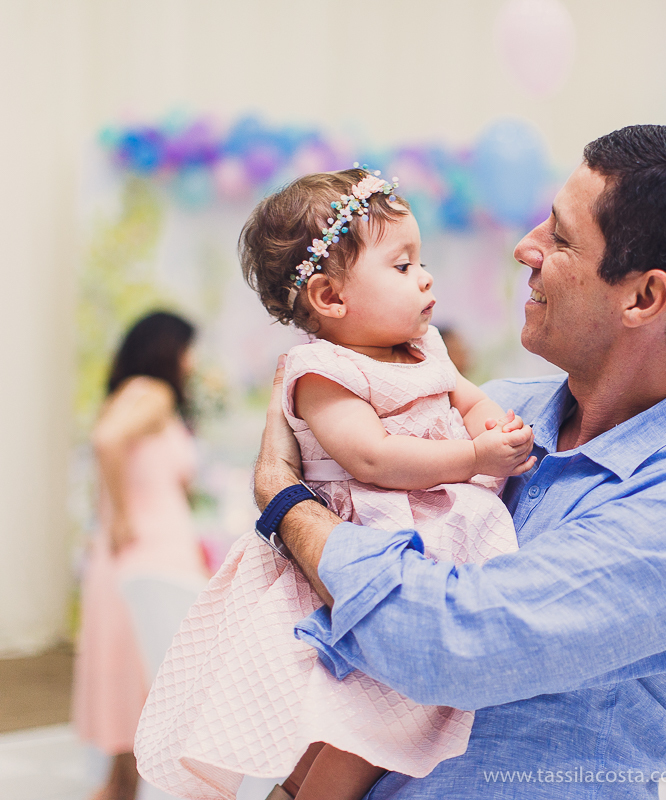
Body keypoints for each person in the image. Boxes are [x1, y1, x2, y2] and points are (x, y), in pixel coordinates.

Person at [250, 124, 666, 798]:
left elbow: (450, 640)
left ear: (642, 298)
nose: (524, 248)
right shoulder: (495, 409)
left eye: (559, 238)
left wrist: (284, 502)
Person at [134, 168, 536, 800]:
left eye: (421, 260)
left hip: (430, 536)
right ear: (329, 298)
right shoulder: (321, 370)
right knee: (366, 718)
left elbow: (469, 397)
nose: (425, 277)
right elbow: (371, 458)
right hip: (361, 543)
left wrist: (501, 429)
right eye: (402, 266)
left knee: (359, 715)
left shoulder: (426, 345)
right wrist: (474, 455)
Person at [73, 311, 210, 800]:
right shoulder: (153, 394)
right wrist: (122, 520)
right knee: (153, 667)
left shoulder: (129, 394)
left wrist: (112, 519)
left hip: (134, 553)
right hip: (148, 550)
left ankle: (121, 785)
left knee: (132, 666)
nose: (193, 362)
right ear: (169, 348)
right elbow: (107, 443)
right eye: (189, 349)